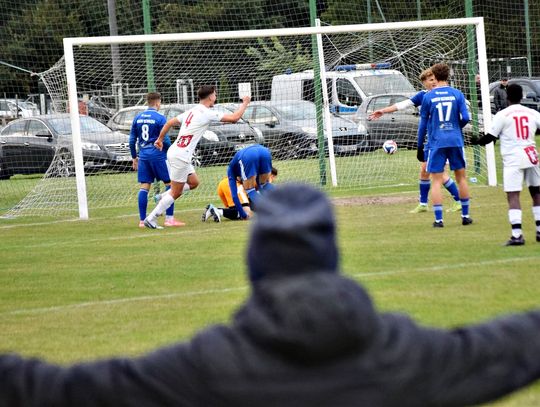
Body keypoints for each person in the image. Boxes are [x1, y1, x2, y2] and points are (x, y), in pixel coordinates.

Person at [2, 183, 540, 407]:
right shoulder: (403, 354)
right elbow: (514, 345)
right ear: (330, 256)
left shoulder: (209, 365)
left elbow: (57, 391)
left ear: (256, 264)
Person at [143, 85, 251, 229]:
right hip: (181, 155)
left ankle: (163, 197)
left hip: (177, 152)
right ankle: (151, 218)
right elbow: (235, 118)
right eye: (215, 94)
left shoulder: (192, 111)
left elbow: (169, 123)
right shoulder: (206, 112)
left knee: (194, 182)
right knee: (176, 192)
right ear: (210, 96)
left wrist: (160, 139)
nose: (216, 97)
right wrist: (245, 102)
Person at [369, 68, 461, 214]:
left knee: (438, 172)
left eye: (434, 79)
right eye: (430, 80)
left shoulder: (448, 94)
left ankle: (459, 200)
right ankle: (423, 204)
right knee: (425, 171)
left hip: (442, 140)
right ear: (424, 83)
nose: (434, 82)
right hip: (431, 141)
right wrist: (383, 111)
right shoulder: (423, 96)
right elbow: (401, 105)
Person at [474, 84, 540, 245]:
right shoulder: (532, 113)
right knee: (536, 192)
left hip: (513, 157)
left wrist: (476, 141)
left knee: (513, 194)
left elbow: (490, 137)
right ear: (522, 96)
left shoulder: (503, 114)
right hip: (531, 154)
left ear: (507, 97)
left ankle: (517, 235)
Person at [418, 63, 471, 228]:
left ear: (434, 75)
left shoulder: (428, 97)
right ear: (448, 75)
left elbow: (422, 124)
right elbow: (466, 117)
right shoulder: (457, 94)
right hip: (455, 140)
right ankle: (465, 216)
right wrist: (456, 127)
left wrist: (419, 146)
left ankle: (439, 220)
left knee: (436, 180)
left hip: (437, 142)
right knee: (461, 178)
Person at [129, 92, 184, 228]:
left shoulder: (137, 118)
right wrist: (172, 151)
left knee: (144, 186)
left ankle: (142, 221)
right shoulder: (160, 118)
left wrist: (134, 157)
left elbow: (132, 140)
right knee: (170, 184)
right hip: (158, 156)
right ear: (158, 103)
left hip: (143, 156)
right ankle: (169, 219)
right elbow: (165, 140)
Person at [203, 167, 278, 222]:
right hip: (233, 184)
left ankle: (212, 209)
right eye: (273, 177)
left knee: (237, 210)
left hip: (224, 184)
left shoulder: (255, 175)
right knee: (246, 214)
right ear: (270, 174)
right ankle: (218, 211)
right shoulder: (261, 179)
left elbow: (252, 201)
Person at [226, 143, 274, 220]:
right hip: (264, 151)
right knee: (264, 185)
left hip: (248, 155)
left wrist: (243, 215)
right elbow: (260, 187)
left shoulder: (231, 170)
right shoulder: (239, 168)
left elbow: (234, 196)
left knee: (249, 189)